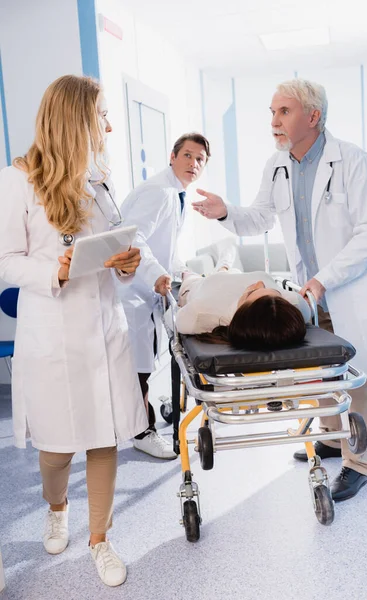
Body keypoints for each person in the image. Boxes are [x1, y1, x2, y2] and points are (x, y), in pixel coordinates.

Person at [192, 78, 367, 502]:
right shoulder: (278, 164)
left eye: (283, 112)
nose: (274, 122)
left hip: (349, 288)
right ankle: (329, 437)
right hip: (312, 292)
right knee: (320, 370)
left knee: (357, 380)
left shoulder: (354, 161)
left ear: (313, 116)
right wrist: (226, 212)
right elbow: (262, 217)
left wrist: (324, 279)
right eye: (271, 113)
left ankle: (357, 463)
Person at [0, 75, 148, 587]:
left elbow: (118, 248)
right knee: (58, 449)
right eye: (102, 114)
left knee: (103, 437)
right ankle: (56, 505)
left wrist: (128, 262)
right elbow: (7, 263)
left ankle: (100, 540)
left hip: (103, 330)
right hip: (51, 334)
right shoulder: (17, 181)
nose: (108, 124)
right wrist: (54, 272)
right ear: (75, 118)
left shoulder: (99, 182)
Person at [118, 133, 210, 459]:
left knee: (142, 363)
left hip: (144, 290)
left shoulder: (176, 194)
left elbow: (165, 247)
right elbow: (134, 239)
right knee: (137, 368)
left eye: (200, 159)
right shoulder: (158, 191)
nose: (193, 163)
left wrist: (183, 271)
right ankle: (142, 432)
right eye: (187, 155)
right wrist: (157, 274)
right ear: (173, 156)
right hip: (130, 290)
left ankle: (142, 422)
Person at [176, 268, 310, 351]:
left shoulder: (200, 312)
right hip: (235, 274)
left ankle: (186, 271)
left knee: (188, 274)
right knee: (228, 269)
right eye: (276, 292)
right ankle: (224, 267)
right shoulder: (297, 304)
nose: (259, 283)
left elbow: (172, 318)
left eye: (252, 292)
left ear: (242, 313)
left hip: (198, 284)